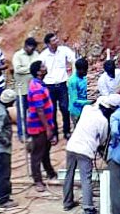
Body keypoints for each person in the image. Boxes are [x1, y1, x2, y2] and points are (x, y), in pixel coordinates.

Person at [62, 99, 110, 214]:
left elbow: (89, 104)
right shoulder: (103, 121)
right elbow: (103, 139)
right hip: (85, 151)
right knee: (86, 179)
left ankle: (67, 203)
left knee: (69, 175)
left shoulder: (87, 110)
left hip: (72, 146)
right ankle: (88, 209)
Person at [26, 60, 57, 191]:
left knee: (45, 151)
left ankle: (50, 173)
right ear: (39, 72)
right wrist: (48, 129)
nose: (46, 68)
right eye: (43, 67)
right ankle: (37, 180)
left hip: (44, 125)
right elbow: (40, 110)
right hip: (38, 127)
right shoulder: (36, 88)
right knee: (37, 153)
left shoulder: (39, 84)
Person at [40, 32, 75, 142]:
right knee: (52, 110)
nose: (56, 41)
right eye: (53, 40)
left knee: (65, 108)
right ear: (48, 44)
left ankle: (66, 131)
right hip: (49, 86)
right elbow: (39, 69)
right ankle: (54, 133)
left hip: (62, 84)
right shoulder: (43, 55)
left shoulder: (64, 50)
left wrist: (72, 76)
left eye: (56, 39)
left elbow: (74, 60)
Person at [12, 37, 39, 142]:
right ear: (25, 46)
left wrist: (27, 69)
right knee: (21, 113)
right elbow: (18, 69)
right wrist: (31, 69)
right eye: (30, 47)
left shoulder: (36, 55)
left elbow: (38, 67)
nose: (32, 49)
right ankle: (22, 133)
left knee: (34, 112)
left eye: (33, 48)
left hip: (34, 89)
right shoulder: (17, 56)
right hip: (21, 90)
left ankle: (33, 132)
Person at [68, 57, 91, 130]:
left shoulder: (83, 77)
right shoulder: (73, 81)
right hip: (76, 111)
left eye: (86, 70)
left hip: (83, 108)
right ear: (78, 69)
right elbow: (75, 101)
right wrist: (89, 102)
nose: (86, 72)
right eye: (84, 70)